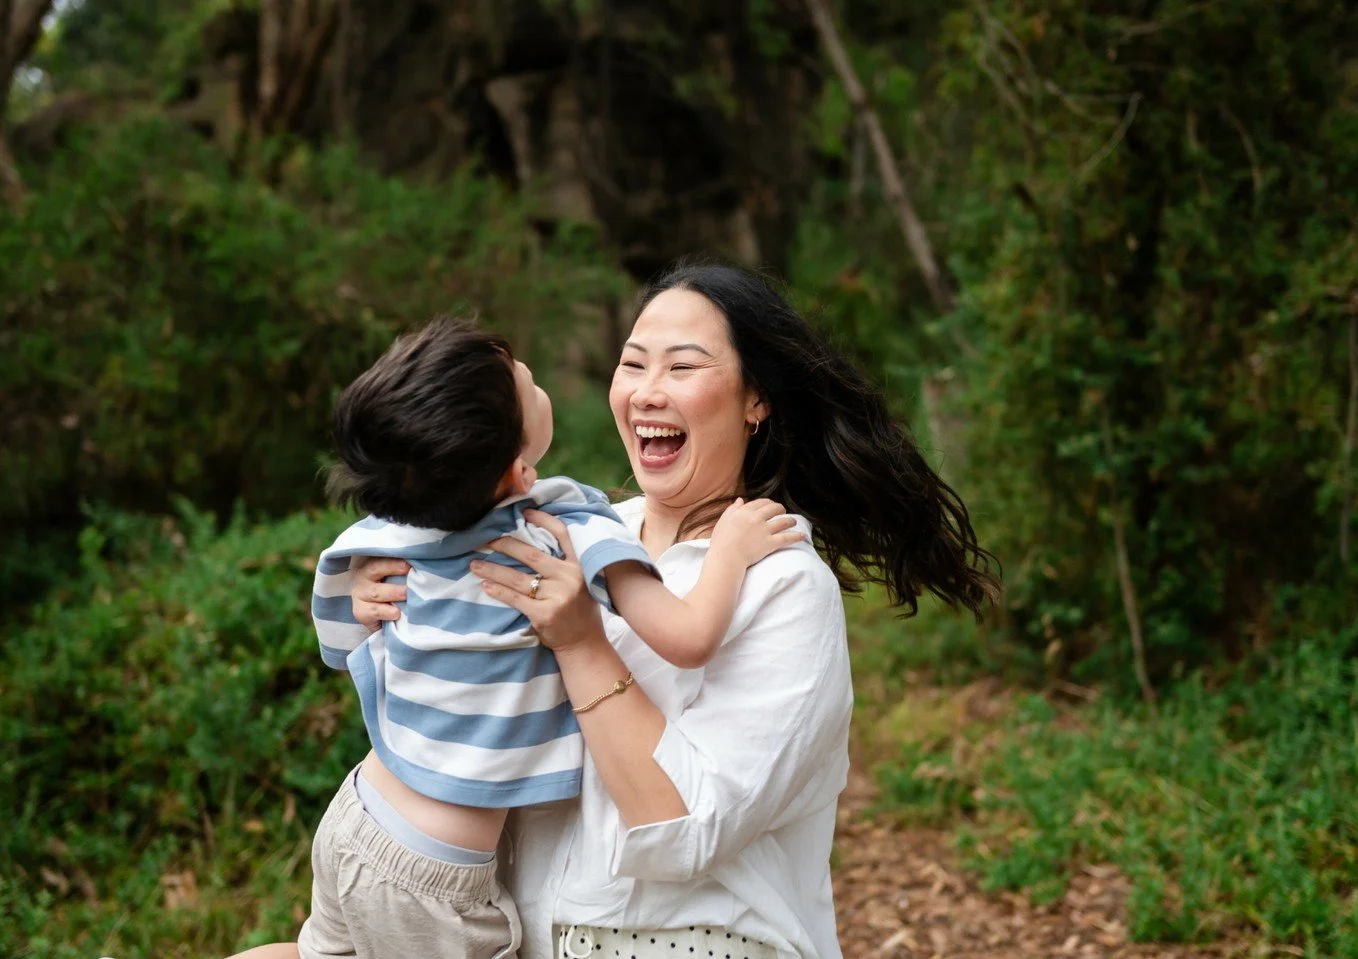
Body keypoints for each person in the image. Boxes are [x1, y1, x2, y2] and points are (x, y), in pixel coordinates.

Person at [231, 261, 997, 959]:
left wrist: (579, 638)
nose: (647, 389)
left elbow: (684, 831)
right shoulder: (571, 528)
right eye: (633, 363)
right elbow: (459, 706)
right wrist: (377, 599)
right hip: (475, 908)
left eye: (683, 366)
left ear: (755, 397)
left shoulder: (778, 582)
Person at [299, 318, 803, 959]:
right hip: (435, 876)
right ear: (518, 470)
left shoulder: (393, 523)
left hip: (357, 816)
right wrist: (729, 551)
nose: (532, 376)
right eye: (524, 385)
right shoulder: (558, 528)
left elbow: (340, 639)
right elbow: (688, 637)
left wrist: (371, 601)